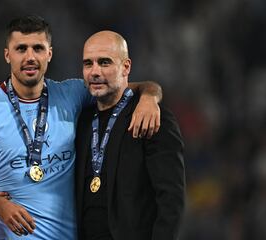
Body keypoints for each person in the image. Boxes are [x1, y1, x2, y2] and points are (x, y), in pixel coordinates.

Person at [0, 15, 162, 240]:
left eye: (38, 48)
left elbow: (123, 88)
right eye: (21, 49)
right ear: (7, 55)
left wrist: (149, 97)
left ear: (49, 54)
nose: (30, 57)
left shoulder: (73, 94)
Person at [75, 31, 185, 240]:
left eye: (104, 63)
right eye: (88, 63)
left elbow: (171, 200)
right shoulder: (81, 121)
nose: (94, 72)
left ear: (126, 67)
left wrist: (150, 96)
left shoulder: (152, 117)